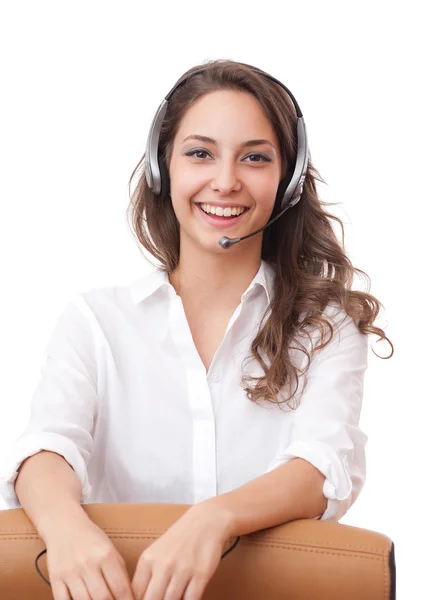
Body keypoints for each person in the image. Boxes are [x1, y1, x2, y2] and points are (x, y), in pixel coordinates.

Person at [0, 59, 393, 600]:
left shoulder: (324, 327)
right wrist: (65, 527)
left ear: (289, 178)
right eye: (200, 153)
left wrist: (214, 519)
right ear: (164, 169)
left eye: (255, 157)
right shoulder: (96, 320)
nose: (226, 181)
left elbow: (319, 467)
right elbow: (48, 447)